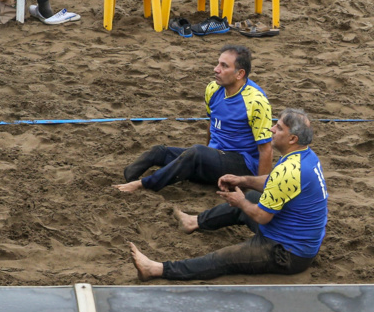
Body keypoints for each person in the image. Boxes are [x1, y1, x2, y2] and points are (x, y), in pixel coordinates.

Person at [129, 110, 328, 282]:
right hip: (295, 238)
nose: (272, 130)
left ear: (293, 139)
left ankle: (156, 269)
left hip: (286, 253)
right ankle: (195, 222)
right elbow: (275, 182)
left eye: (279, 127)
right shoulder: (305, 156)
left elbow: (262, 216)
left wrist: (240, 202)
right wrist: (243, 180)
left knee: (223, 259)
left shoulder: (290, 169)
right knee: (251, 197)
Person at [117, 45, 272, 193]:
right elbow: (211, 124)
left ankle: (142, 184)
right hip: (217, 156)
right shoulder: (213, 89)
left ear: (240, 74)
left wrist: (259, 187)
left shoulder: (256, 102)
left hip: (242, 165)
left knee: (196, 153)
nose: (216, 69)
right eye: (218, 63)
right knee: (159, 152)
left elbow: (266, 149)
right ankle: (128, 178)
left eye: (224, 66)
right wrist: (207, 156)